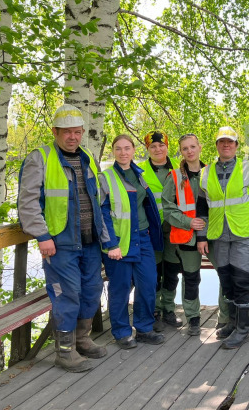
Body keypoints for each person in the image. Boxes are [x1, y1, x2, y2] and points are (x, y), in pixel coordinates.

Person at [18, 104, 109, 372]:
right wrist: (42, 235)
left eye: (77, 132)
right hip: (60, 244)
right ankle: (64, 351)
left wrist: (105, 237)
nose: (73, 137)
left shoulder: (88, 157)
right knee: (67, 295)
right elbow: (28, 202)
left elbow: (98, 199)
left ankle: (82, 339)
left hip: (90, 241)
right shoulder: (41, 158)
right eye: (67, 132)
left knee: (91, 291)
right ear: (55, 131)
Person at [196, 126, 249, 349]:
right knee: (226, 281)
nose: (226, 145)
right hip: (218, 235)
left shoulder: (248, 168)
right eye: (221, 142)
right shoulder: (206, 172)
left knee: (242, 281)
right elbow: (201, 209)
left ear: (236, 146)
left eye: (230, 142)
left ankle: (243, 330)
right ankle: (232, 322)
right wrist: (201, 237)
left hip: (246, 234)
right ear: (217, 146)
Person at [99, 134, 165, 349]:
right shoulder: (106, 177)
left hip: (143, 238)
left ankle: (144, 328)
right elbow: (102, 213)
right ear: (113, 151)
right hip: (120, 241)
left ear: (134, 150)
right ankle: (121, 332)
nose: (123, 152)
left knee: (148, 284)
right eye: (118, 149)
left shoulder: (139, 174)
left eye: (127, 148)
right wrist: (111, 244)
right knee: (120, 288)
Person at [138, 130, 183, 330]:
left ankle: (169, 309)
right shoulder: (139, 172)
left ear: (167, 147)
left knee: (172, 270)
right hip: (151, 229)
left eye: (161, 145)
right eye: (153, 146)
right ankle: (154, 310)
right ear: (147, 149)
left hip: (174, 228)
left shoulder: (179, 169)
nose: (158, 149)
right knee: (154, 272)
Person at [162, 133, 206, 336]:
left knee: (226, 273)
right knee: (191, 277)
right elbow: (168, 209)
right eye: (185, 148)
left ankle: (227, 317)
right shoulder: (176, 176)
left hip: (212, 235)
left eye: (192, 147)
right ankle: (193, 319)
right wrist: (188, 222)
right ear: (181, 152)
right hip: (187, 235)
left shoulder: (210, 172)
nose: (189, 151)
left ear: (200, 147)